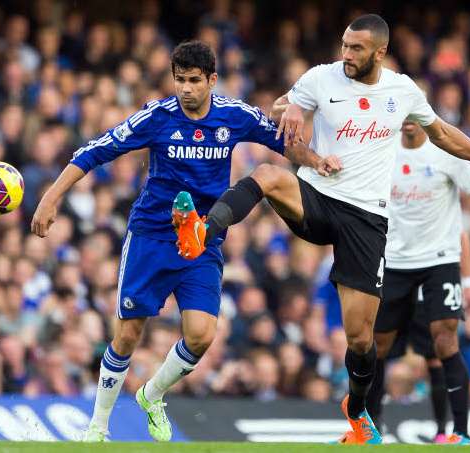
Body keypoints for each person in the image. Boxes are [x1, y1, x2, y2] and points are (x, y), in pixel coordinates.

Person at [172, 14, 470, 445]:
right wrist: (289, 106)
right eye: (344, 45)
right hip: (319, 198)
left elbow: (443, 134)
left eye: (357, 48)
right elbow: (283, 109)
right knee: (269, 174)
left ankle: (359, 413)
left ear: (379, 52)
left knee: (361, 338)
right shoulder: (321, 78)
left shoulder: (402, 91)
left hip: (367, 220)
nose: (346, 54)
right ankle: (202, 230)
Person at [30, 41, 330, 442]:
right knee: (128, 335)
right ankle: (97, 427)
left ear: (212, 80)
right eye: (180, 80)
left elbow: (284, 142)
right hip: (152, 236)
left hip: (203, 237)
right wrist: (51, 197)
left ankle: (152, 395)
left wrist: (319, 162)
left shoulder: (235, 116)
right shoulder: (157, 117)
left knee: (203, 335)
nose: (185, 89)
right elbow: (95, 150)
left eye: (193, 81)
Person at [364, 118, 470, 445]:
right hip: (395, 262)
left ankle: (459, 432)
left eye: (416, 115)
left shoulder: (447, 153)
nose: (409, 121)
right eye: (403, 114)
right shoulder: (382, 153)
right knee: (378, 345)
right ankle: (369, 431)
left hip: (440, 260)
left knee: (445, 341)